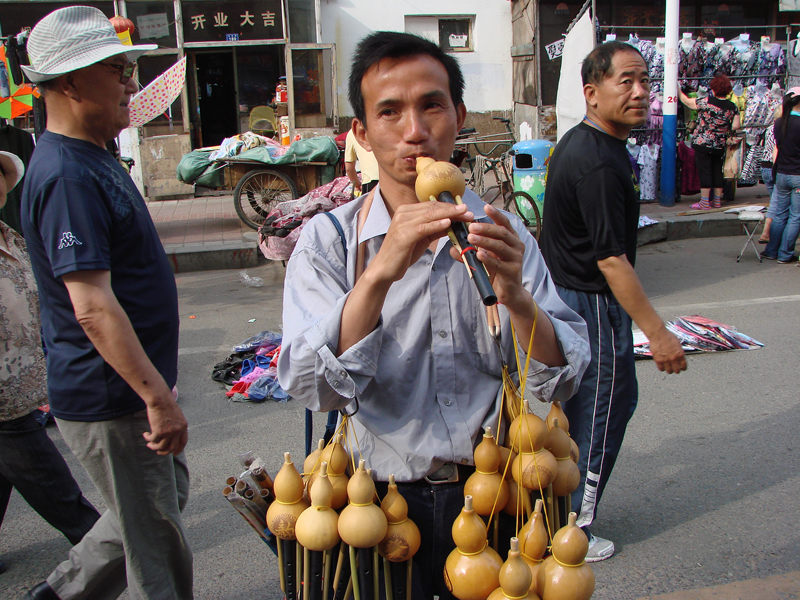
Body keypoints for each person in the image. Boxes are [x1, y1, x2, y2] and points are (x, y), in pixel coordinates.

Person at [278, 31, 590, 600]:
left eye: (432, 106)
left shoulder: (504, 233)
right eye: (389, 112)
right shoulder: (329, 243)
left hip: (498, 495)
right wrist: (377, 275)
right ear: (362, 133)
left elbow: (564, 376)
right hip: (379, 503)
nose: (414, 132)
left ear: (459, 115)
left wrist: (516, 297)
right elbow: (309, 386)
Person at [18, 7, 192, 600]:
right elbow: (91, 305)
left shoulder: (95, 154)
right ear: (67, 83)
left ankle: (60, 593)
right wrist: (155, 397)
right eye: (116, 70)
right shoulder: (66, 173)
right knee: (156, 544)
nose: (128, 83)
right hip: (112, 396)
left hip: (127, 391)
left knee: (153, 509)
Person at [539, 41, 687, 562]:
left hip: (571, 299)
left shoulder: (584, 144)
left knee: (582, 413)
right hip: (592, 306)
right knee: (603, 412)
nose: (640, 92)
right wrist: (660, 333)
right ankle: (572, 528)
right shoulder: (599, 163)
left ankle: (556, 510)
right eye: (625, 81)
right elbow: (611, 260)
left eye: (644, 80)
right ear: (591, 91)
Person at [0, 151, 100, 575]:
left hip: (21, 378)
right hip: (3, 396)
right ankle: (98, 541)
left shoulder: (11, 237)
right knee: (46, 476)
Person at [678, 74, 740, 210]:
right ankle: (717, 201)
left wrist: (678, 89)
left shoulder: (706, 102)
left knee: (705, 171)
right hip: (720, 144)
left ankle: (705, 202)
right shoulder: (732, 107)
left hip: (703, 142)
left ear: (714, 88)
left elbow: (687, 102)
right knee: (717, 170)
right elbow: (736, 126)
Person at [761, 87, 800, 264]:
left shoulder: (779, 123)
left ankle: (771, 250)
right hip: (797, 175)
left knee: (780, 214)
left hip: (782, 173)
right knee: (795, 216)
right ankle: (785, 253)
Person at [344, 123, 379, 194]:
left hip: (370, 181)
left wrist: (357, 185)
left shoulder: (353, 133)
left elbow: (349, 168)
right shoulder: (385, 128)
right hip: (393, 180)